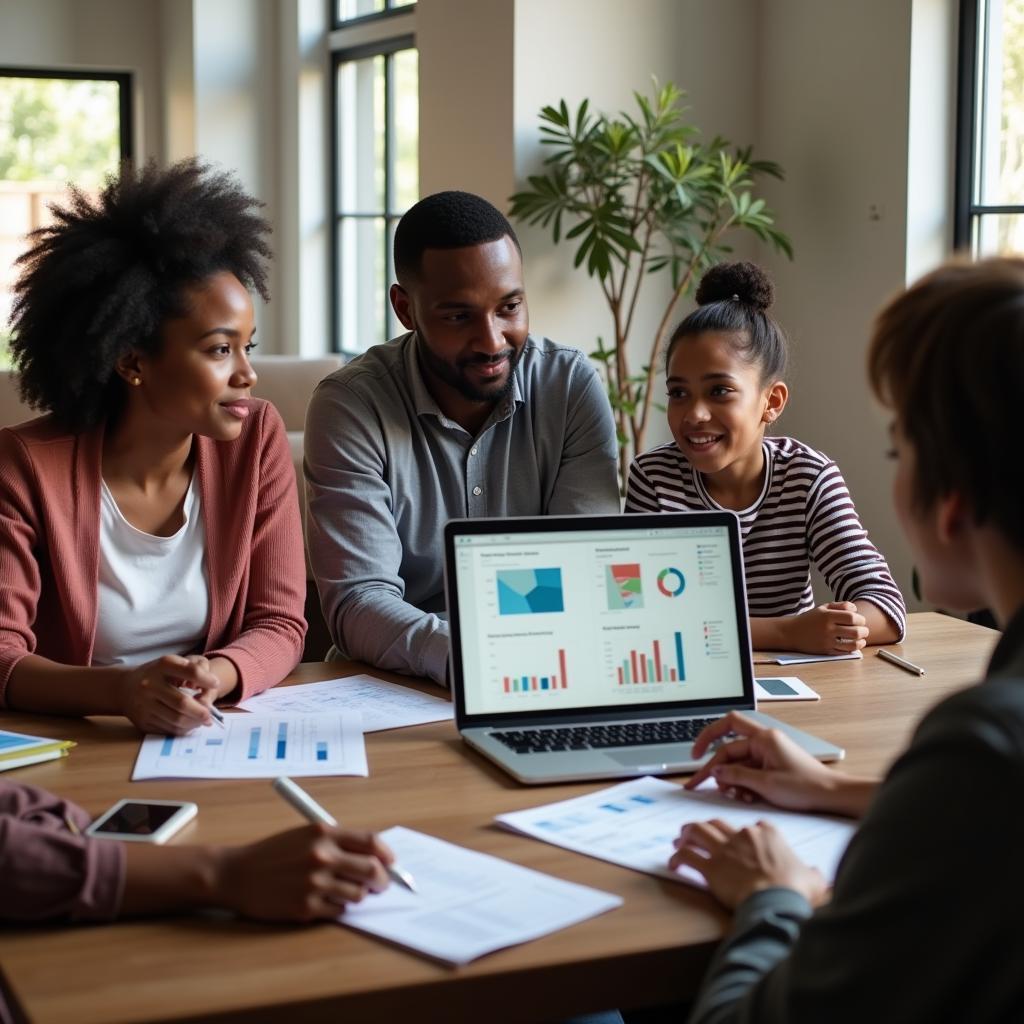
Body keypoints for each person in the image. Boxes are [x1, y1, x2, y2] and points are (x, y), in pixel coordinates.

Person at [669, 256, 1024, 1022]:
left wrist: (770, 897)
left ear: (951, 500)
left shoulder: (983, 746)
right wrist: (826, 788)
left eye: (899, 449)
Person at [0, 160, 307, 736]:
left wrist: (216, 675)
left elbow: (280, 621)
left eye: (248, 347)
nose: (248, 375)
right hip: (76, 746)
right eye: (220, 350)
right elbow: (2, 658)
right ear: (132, 362)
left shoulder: (255, 438)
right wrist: (124, 691)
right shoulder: (22, 467)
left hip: (208, 733)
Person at [305, 190, 620, 684]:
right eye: (458, 316)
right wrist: (474, 660)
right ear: (405, 309)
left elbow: (583, 570)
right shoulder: (352, 405)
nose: (492, 340)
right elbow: (358, 601)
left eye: (509, 307)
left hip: (543, 671)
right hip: (394, 686)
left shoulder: (570, 388)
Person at [626, 261, 905, 654]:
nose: (694, 414)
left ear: (771, 402)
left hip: (795, 687)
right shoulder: (654, 477)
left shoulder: (808, 477)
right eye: (678, 393)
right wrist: (789, 633)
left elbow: (886, 607)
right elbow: (638, 614)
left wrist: (841, 625)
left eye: (719, 391)